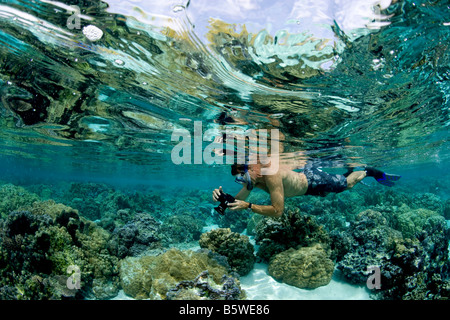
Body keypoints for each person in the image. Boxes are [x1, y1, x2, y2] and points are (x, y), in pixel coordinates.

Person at [212, 161, 401, 218]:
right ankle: (348, 171)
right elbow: (237, 200)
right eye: (239, 178)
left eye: (242, 176)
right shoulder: (253, 178)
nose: (242, 181)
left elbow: (278, 212)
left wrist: (249, 206)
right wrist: (222, 199)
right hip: (308, 182)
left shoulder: (271, 175)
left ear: (252, 168)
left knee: (347, 185)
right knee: (339, 182)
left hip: (313, 181)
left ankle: (368, 171)